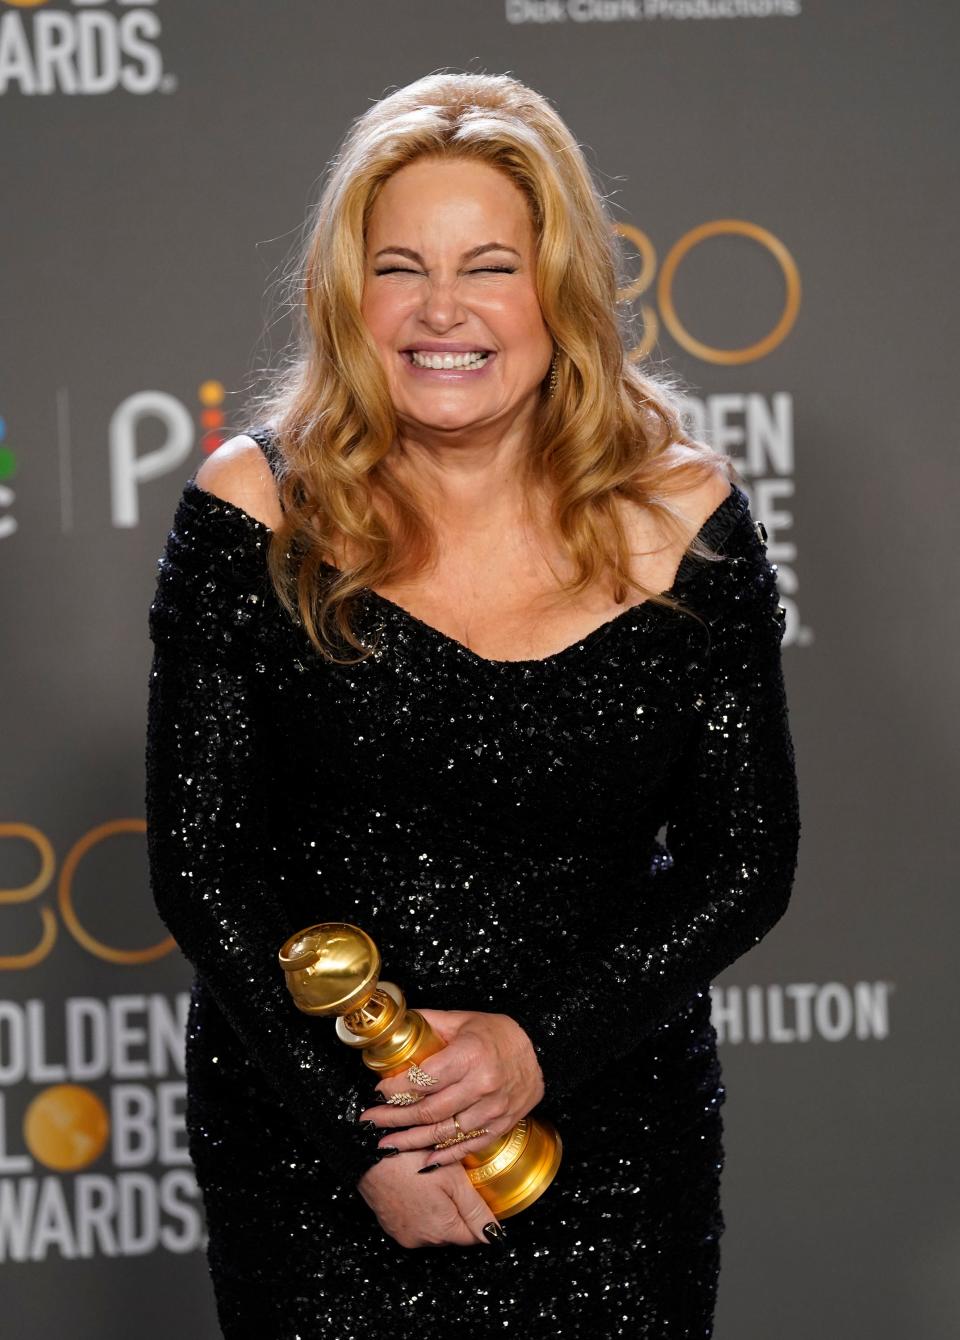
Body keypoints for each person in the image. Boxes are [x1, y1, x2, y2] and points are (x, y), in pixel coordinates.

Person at [145, 71, 800, 1339]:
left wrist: (537, 1045)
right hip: (320, 1145)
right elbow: (201, 860)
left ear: (558, 293)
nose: (442, 310)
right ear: (350, 297)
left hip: (608, 1132)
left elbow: (747, 860)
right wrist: (361, 1133)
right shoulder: (256, 509)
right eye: (400, 267)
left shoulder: (685, 519)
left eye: (489, 265)